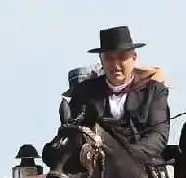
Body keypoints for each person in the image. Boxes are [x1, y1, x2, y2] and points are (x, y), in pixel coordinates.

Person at [67, 25, 170, 161]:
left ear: (134, 58)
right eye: (109, 58)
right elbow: (73, 132)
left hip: (141, 165)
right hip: (97, 166)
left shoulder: (153, 91)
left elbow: (158, 134)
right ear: (101, 60)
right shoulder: (84, 92)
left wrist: (128, 155)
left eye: (122, 58)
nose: (115, 65)